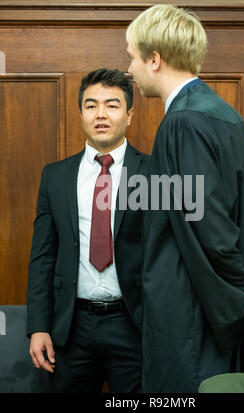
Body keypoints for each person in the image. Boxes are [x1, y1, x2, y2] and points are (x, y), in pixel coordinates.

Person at [126, 5, 244, 392]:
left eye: (132, 57)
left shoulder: (183, 123)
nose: (130, 69)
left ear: (154, 59)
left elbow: (209, 230)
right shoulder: (228, 117)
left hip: (191, 323)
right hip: (222, 317)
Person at [27, 68, 150, 393]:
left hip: (134, 325)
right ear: (80, 113)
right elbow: (42, 255)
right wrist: (38, 327)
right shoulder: (55, 177)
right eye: (92, 105)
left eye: (112, 105)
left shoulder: (153, 173)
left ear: (129, 114)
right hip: (71, 328)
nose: (101, 114)